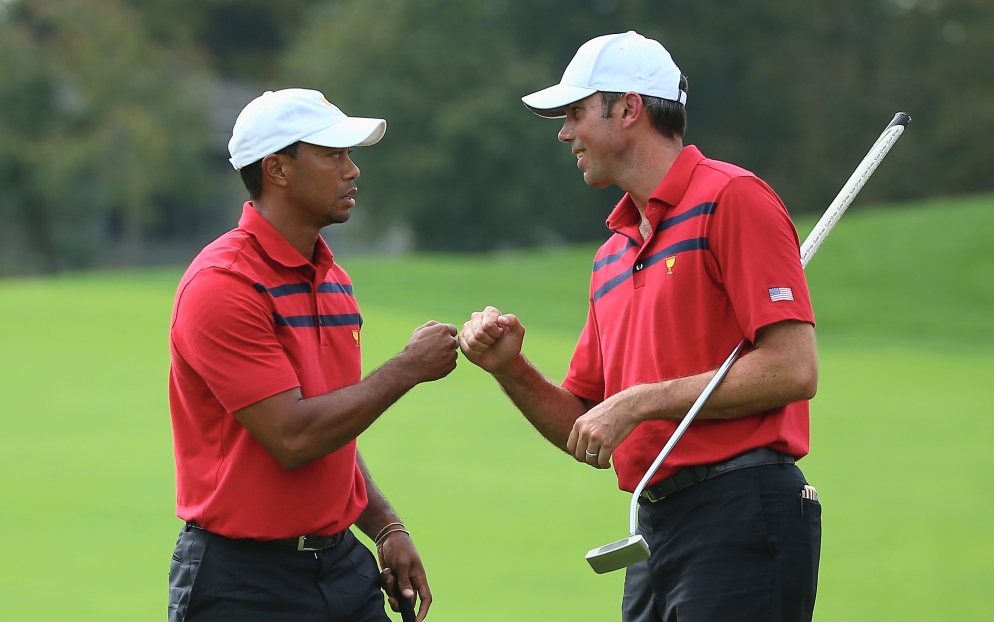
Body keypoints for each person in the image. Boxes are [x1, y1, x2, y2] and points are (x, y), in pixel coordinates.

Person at [459, 32, 821, 621]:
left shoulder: (733, 198)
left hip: (743, 509)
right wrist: (511, 369)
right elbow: (586, 422)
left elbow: (792, 368)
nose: (564, 132)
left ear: (628, 109)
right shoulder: (612, 253)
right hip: (655, 527)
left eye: (575, 113)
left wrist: (642, 402)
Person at [168, 88, 457, 622]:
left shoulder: (334, 281)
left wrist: (385, 525)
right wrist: (407, 369)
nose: (353, 171)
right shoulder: (223, 284)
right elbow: (294, 436)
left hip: (341, 564)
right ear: (277, 169)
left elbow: (331, 423)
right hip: (242, 583)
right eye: (333, 154)